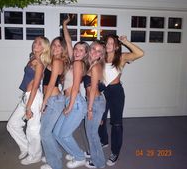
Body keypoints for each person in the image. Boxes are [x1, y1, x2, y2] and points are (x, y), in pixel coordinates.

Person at [98, 34, 144, 166]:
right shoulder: (101, 57)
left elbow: (140, 53)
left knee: (116, 123)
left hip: (116, 92)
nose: (108, 45)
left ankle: (115, 152)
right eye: (107, 42)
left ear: (117, 46)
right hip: (102, 90)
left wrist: (126, 42)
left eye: (111, 43)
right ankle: (104, 140)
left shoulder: (122, 57)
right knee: (100, 119)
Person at [6, 36, 51, 165]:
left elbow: (36, 86)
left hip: (34, 97)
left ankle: (35, 155)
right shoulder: (33, 58)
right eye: (35, 42)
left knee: (32, 129)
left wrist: (28, 107)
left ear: (44, 48)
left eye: (39, 43)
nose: (35, 44)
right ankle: (26, 147)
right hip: (27, 96)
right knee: (12, 124)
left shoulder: (40, 64)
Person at [53, 15, 90, 169]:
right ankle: (77, 151)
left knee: (63, 134)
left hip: (75, 104)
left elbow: (75, 87)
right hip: (70, 101)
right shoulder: (73, 61)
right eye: (76, 48)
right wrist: (64, 24)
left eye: (81, 50)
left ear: (85, 54)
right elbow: (68, 41)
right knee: (56, 133)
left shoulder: (78, 64)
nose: (77, 51)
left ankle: (80, 157)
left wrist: (69, 106)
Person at [40, 36, 69, 169]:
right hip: (53, 99)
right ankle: (56, 154)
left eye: (59, 46)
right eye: (54, 45)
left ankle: (55, 165)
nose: (56, 48)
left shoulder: (57, 61)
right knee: (47, 132)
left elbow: (51, 84)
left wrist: (44, 102)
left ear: (63, 48)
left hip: (53, 100)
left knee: (45, 133)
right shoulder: (54, 60)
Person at [83, 40, 106, 168]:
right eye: (93, 49)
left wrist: (90, 109)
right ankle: (96, 158)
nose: (95, 52)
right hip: (94, 102)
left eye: (99, 51)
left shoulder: (96, 66)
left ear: (101, 55)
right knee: (91, 133)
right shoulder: (91, 64)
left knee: (92, 134)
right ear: (90, 49)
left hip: (94, 103)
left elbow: (93, 89)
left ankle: (99, 163)